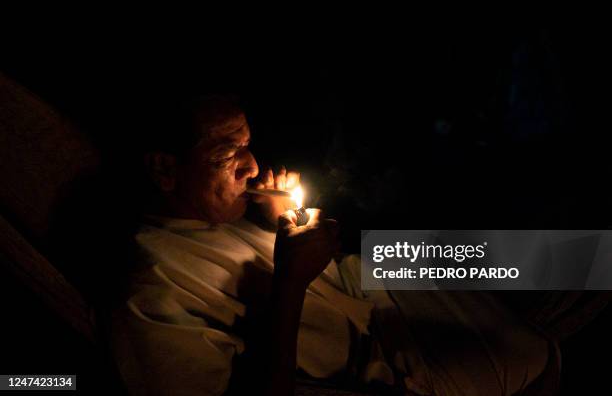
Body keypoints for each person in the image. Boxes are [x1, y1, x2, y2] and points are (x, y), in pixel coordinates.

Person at [110, 95, 558, 396]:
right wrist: (291, 281)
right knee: (532, 355)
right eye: (227, 156)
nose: (252, 166)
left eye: (247, 146)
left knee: (534, 261)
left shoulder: (210, 214)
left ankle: (581, 268)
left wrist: (275, 223)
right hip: (388, 371)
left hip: (369, 291)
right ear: (165, 168)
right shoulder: (151, 292)